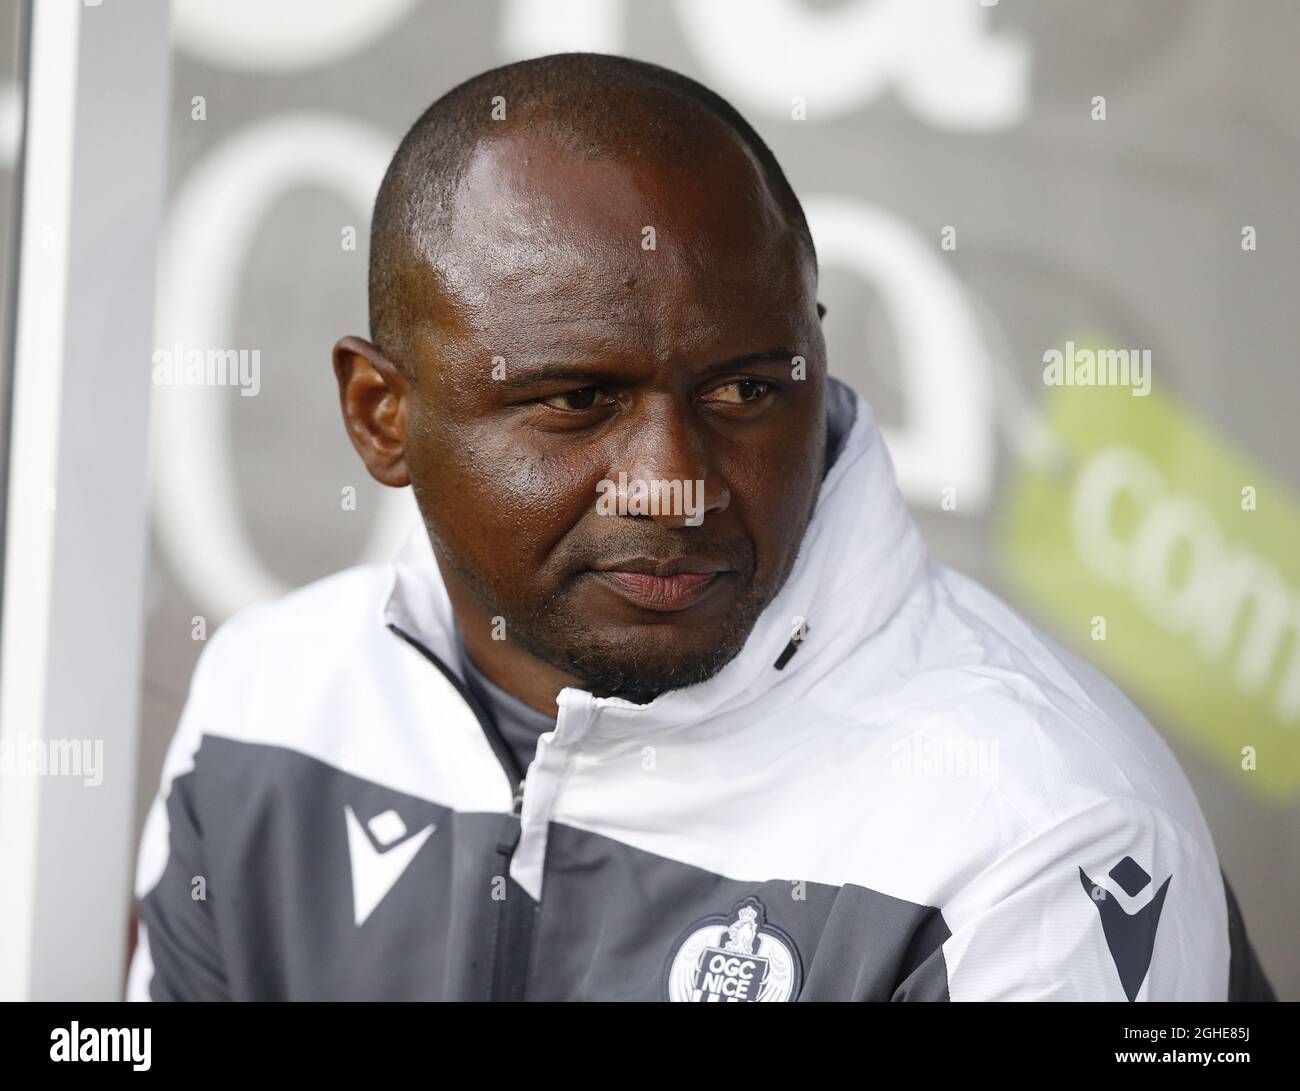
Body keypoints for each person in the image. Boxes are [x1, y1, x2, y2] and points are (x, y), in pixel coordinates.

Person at [128, 53, 1273, 1002]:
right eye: (577, 401)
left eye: (743, 390)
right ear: (382, 416)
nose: (674, 487)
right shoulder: (266, 707)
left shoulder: (1041, 823)